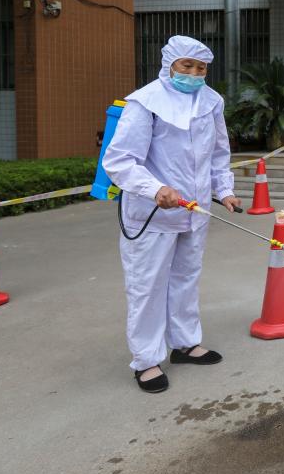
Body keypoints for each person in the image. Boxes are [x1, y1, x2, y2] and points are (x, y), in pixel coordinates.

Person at [102, 36, 241, 394]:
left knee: (186, 277)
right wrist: (154, 189)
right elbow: (119, 161)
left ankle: (185, 343)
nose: (193, 74)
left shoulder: (211, 102)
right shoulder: (145, 102)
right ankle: (146, 360)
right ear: (169, 65)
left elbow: (218, 153)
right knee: (147, 285)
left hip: (195, 211)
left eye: (201, 68)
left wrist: (224, 189)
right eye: (186, 66)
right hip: (154, 213)